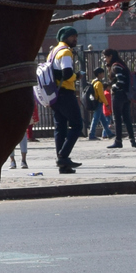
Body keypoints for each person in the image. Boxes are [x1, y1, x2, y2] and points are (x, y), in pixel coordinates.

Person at [46, 26, 84, 174]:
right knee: (77, 125)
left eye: (76, 36)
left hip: (54, 94)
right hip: (65, 93)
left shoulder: (53, 52)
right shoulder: (65, 52)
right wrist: (77, 76)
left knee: (60, 127)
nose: (75, 39)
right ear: (65, 38)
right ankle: (63, 156)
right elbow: (67, 74)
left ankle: (63, 165)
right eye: (72, 36)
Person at [103, 48, 136, 149]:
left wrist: (113, 88)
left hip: (119, 95)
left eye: (106, 57)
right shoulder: (122, 65)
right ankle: (132, 140)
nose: (105, 59)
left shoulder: (115, 66)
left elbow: (120, 81)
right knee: (127, 118)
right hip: (126, 95)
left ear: (110, 56)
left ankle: (118, 141)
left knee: (117, 118)